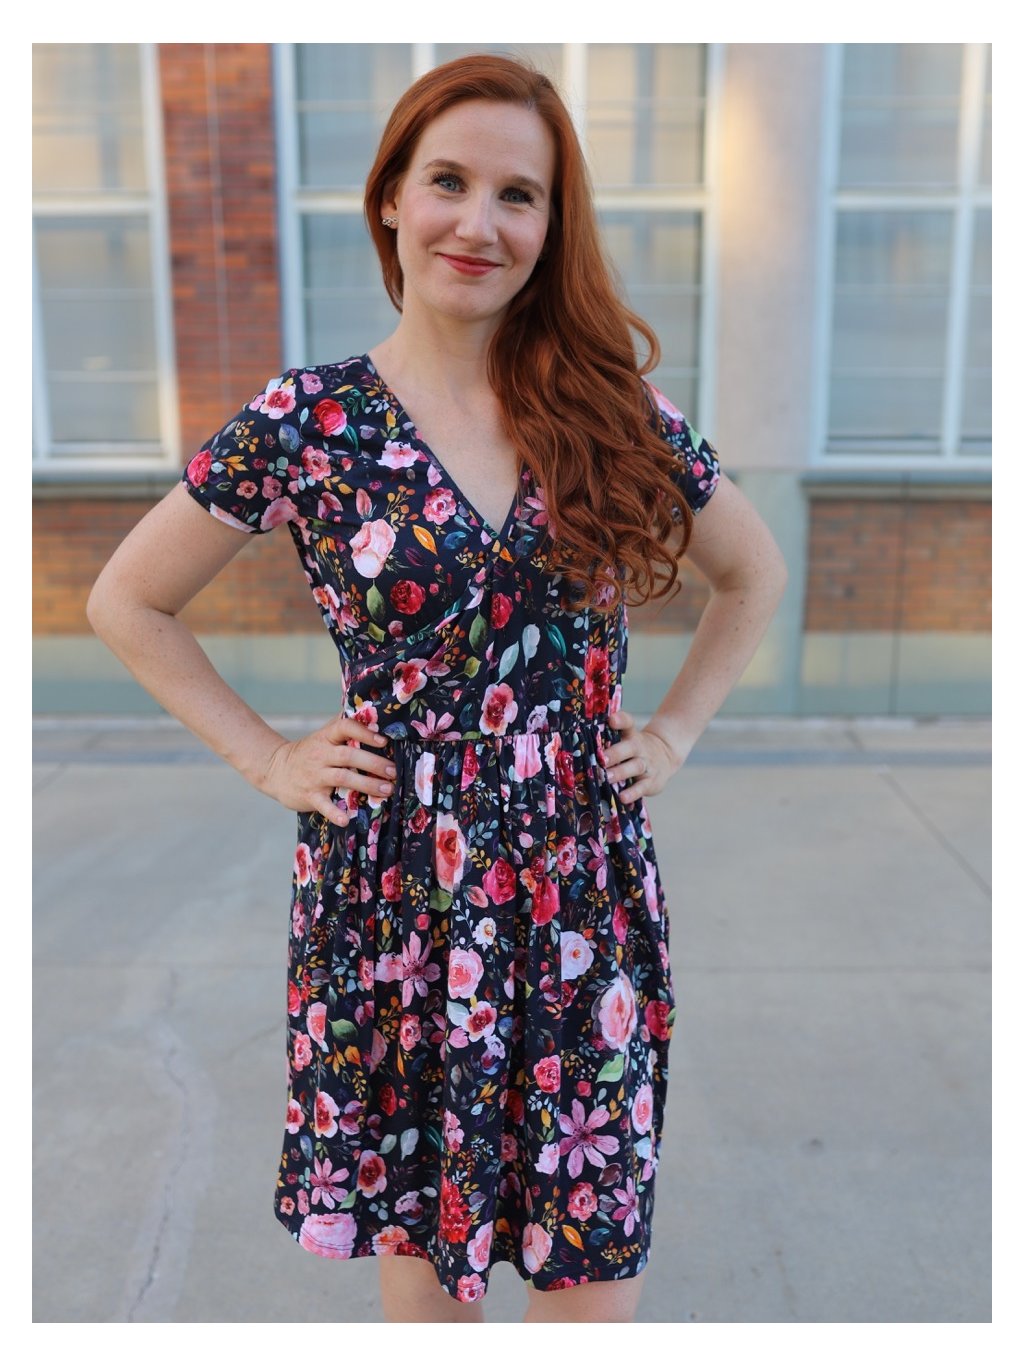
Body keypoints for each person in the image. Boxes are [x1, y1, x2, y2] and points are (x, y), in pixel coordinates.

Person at [87, 53, 787, 1324]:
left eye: (519, 195)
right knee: (427, 1280)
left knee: (591, 1273)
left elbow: (753, 572)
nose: (479, 222)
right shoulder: (307, 420)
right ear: (392, 199)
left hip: (577, 884)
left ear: (550, 227)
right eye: (449, 181)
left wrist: (677, 730)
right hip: (396, 890)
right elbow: (126, 600)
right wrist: (267, 756)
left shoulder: (612, 411)